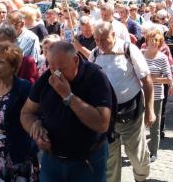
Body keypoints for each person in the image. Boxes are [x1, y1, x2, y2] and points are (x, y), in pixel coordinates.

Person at [21, 42, 113, 182]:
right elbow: (26, 113)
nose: (57, 73)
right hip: (52, 161)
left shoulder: (96, 76)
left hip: (87, 161)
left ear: (75, 60)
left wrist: (68, 96)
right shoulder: (46, 78)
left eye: (62, 68)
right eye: (52, 68)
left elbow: (102, 123)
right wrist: (35, 129)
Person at [90, 21, 154, 182]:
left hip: (130, 111)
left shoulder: (128, 49)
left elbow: (147, 80)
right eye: (96, 39)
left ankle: (141, 178)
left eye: (104, 39)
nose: (100, 44)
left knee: (136, 154)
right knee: (110, 158)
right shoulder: (95, 54)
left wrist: (151, 110)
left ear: (113, 35)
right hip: (106, 115)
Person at [0, 42, 39, 181]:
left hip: (16, 156)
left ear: (13, 67)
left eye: (1, 62)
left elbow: (35, 117)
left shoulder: (24, 88)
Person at [142, 29, 172, 163]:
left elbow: (169, 79)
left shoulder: (162, 57)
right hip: (140, 95)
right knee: (139, 125)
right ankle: (141, 150)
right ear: (146, 41)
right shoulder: (140, 54)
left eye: (156, 41)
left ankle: (153, 152)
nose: (153, 43)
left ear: (160, 43)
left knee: (154, 125)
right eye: (151, 40)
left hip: (156, 95)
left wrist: (152, 79)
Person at [7, 11, 40, 83]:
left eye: (12, 25)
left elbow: (34, 62)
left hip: (23, 79)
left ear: (22, 24)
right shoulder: (6, 36)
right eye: (7, 24)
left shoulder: (32, 38)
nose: (8, 28)